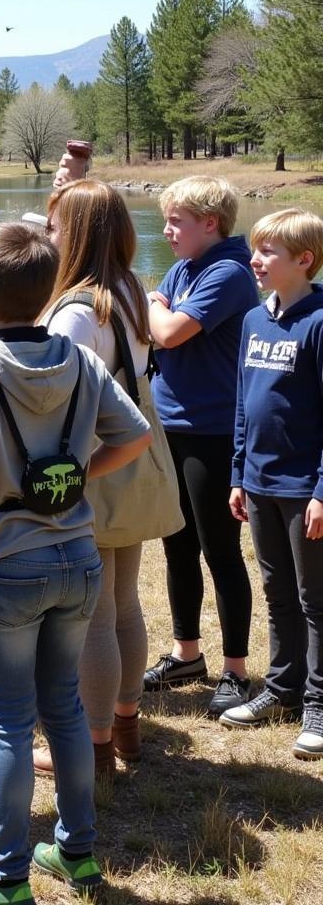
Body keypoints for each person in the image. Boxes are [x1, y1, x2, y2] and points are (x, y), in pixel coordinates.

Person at [0, 222, 150, 905]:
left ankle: (6, 877)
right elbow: (136, 435)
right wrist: (78, 476)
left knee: (8, 721)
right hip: (77, 557)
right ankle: (77, 853)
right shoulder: (79, 360)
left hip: (3, 568)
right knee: (63, 706)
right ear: (46, 291)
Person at [36, 180, 161, 778]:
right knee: (123, 602)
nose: (48, 235)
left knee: (93, 617)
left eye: (56, 226)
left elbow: (56, 401)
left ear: (77, 234)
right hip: (132, 461)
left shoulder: (78, 310)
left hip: (93, 467)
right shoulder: (132, 290)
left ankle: (94, 748)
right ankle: (127, 729)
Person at [144, 176, 259, 716]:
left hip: (211, 430)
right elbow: (160, 321)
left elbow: (166, 333)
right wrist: (157, 304)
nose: (167, 231)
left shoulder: (229, 272)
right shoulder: (185, 266)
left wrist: (152, 303)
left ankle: (236, 671)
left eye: (176, 222)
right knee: (176, 543)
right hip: (172, 425)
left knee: (221, 551)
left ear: (209, 223)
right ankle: (186, 653)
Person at [223, 209, 323, 760]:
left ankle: (318, 703)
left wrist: (321, 491)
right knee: (276, 591)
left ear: (303, 260)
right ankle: (282, 689)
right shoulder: (254, 320)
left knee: (316, 600)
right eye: (255, 249)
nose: (255, 260)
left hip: (305, 488)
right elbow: (244, 405)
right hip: (259, 483)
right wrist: (239, 474)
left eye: (268, 253)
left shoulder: (319, 320)